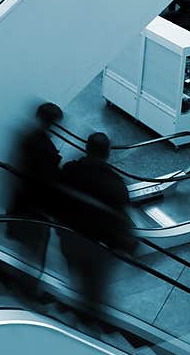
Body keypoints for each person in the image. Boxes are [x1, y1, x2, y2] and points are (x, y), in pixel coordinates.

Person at [57, 131, 133, 314]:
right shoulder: (115, 184)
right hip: (96, 244)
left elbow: (57, 198)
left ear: (86, 148)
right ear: (107, 153)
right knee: (95, 284)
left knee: (76, 273)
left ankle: (79, 306)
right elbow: (120, 216)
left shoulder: (69, 170)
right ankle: (89, 319)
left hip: (69, 236)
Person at [6, 102, 64, 267]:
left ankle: (23, 281)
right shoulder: (46, 151)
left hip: (21, 206)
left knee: (26, 251)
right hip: (36, 212)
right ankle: (30, 287)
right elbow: (49, 185)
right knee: (36, 252)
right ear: (51, 123)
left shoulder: (25, 137)